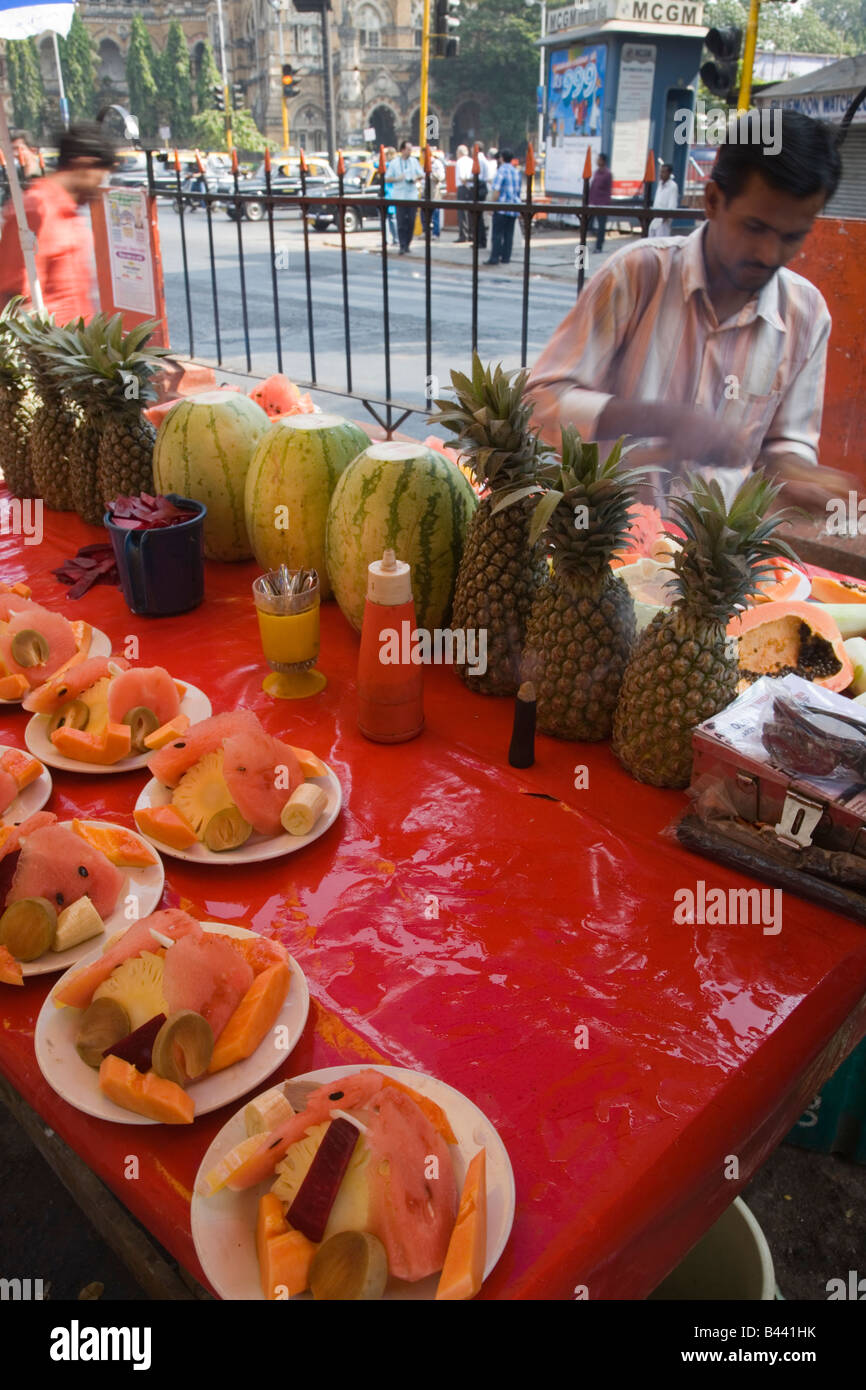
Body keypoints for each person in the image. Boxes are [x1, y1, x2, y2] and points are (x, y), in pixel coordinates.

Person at [527, 110, 851, 511]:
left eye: (791, 237)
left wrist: (796, 476)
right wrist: (661, 420)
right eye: (754, 228)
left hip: (717, 561)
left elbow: (788, 444)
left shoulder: (807, 315)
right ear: (713, 200)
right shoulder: (638, 275)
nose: (769, 254)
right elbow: (540, 406)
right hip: (606, 547)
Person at [0, 122, 116, 322]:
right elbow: (14, 300)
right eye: (101, 178)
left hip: (77, 343)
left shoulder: (69, 213)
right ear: (84, 164)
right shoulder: (34, 212)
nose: (100, 188)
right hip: (49, 346)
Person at [385, 139, 422, 254]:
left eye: (411, 149)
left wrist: (416, 178)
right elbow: (387, 178)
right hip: (400, 195)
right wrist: (397, 179)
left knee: (411, 221)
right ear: (402, 150)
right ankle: (402, 244)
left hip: (411, 194)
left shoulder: (414, 161)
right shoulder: (394, 163)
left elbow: (421, 174)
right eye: (408, 149)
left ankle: (408, 243)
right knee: (401, 221)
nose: (410, 151)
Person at [485, 149, 521, 266]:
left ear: (501, 158)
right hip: (513, 207)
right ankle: (506, 257)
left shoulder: (501, 171)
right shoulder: (516, 172)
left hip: (501, 206)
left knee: (497, 234)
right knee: (508, 234)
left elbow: (496, 191)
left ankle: (495, 257)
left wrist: (491, 206)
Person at [588, 152, 612, 252]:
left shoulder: (607, 174)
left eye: (599, 159)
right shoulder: (596, 172)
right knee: (589, 224)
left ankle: (599, 246)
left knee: (601, 226)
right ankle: (593, 240)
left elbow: (607, 190)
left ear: (603, 161)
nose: (597, 161)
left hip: (602, 203)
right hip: (593, 202)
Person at [649, 162, 678, 237]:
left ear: (669, 173)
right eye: (661, 172)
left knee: (661, 243)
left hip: (663, 220)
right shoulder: (659, 184)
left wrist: (666, 217)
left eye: (664, 172)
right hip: (655, 218)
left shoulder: (673, 186)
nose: (661, 174)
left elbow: (672, 204)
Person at [455, 143, 473, 241]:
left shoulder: (460, 162)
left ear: (460, 153)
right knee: (470, 212)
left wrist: (465, 185)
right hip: (471, 188)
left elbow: (462, 177)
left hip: (463, 187)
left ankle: (463, 235)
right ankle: (470, 234)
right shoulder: (471, 161)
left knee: (462, 212)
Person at [382, 145, 398, 245]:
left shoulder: (390, 165)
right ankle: (392, 239)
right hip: (390, 194)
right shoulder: (394, 164)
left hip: (390, 194)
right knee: (390, 219)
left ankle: (394, 239)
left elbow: (376, 165)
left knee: (391, 219)